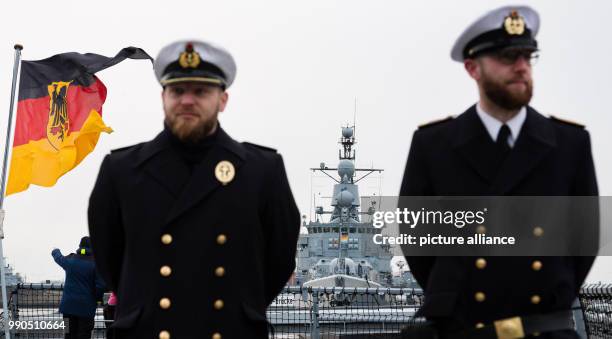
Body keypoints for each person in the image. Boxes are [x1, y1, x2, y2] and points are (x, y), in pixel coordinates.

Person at [400, 6, 598, 339]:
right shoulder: (433, 146)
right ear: (472, 68)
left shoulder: (569, 144)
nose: (521, 67)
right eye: (508, 57)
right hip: (464, 329)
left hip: (544, 329)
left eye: (527, 56)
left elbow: (585, 239)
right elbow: (418, 240)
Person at [88, 39, 301, 339]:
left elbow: (279, 259)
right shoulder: (121, 171)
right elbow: (109, 258)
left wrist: (240, 308)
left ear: (223, 99)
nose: (187, 100)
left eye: (201, 91)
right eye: (177, 90)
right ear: (163, 97)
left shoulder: (262, 171)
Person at [52, 236, 105, 339]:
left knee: (68, 334)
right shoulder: (96, 264)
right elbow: (100, 286)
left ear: (80, 246)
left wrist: (55, 250)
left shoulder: (70, 260)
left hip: (67, 308)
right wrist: (98, 299)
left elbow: (59, 258)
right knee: (84, 335)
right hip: (86, 309)